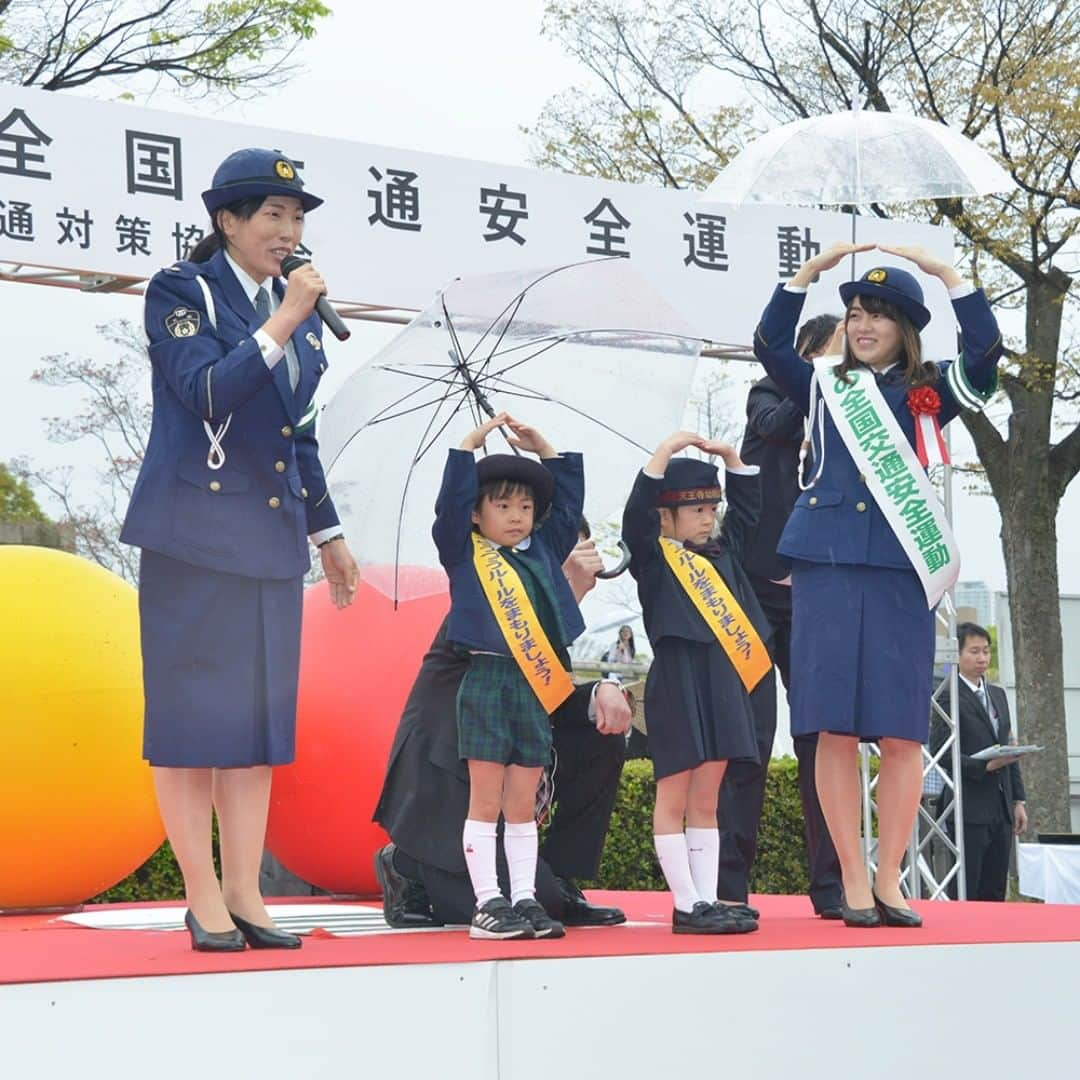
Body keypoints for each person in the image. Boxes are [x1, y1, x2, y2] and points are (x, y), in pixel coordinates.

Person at [120, 148, 360, 952]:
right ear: (227, 221)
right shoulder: (181, 292)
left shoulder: (304, 329)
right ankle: (201, 896)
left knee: (255, 732)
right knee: (195, 725)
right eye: (273, 217)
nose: (289, 233)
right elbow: (208, 393)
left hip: (268, 540)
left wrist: (328, 534)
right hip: (192, 538)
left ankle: (246, 890)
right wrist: (284, 317)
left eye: (297, 219)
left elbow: (299, 437)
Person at [753, 241, 1003, 927]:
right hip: (827, 564)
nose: (862, 326)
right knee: (831, 727)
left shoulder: (926, 392)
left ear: (905, 329)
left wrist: (950, 278)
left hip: (899, 570)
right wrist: (805, 276)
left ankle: (891, 879)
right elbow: (770, 340)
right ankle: (852, 881)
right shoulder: (824, 382)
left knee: (900, 733)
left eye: (878, 317)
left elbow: (986, 355)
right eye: (856, 313)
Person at [372, 521, 631, 931]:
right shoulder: (480, 596)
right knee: (507, 905)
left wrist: (604, 688)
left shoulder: (547, 617)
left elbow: (548, 697)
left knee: (602, 734)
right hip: (449, 768)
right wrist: (564, 590)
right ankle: (406, 863)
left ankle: (561, 875)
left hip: (503, 751)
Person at [432, 412, 591, 940]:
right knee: (486, 796)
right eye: (502, 505)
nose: (517, 516)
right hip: (485, 681)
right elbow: (447, 509)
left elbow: (567, 507)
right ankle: (488, 902)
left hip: (532, 685)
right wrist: (466, 447)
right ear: (477, 514)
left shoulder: (542, 550)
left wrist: (544, 446)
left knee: (524, 800)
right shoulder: (464, 552)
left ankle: (523, 897)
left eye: (525, 506)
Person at [716, 314, 844, 920]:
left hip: (817, 593)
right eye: (844, 343)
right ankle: (729, 886)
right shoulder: (770, 392)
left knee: (821, 739)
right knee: (751, 739)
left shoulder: (858, 413)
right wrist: (820, 378)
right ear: (812, 352)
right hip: (755, 591)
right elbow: (775, 426)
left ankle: (833, 887)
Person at [623, 432, 774, 934]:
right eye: (696, 511)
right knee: (674, 795)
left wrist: (733, 462)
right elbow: (635, 518)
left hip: (723, 679)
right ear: (666, 518)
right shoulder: (654, 557)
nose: (709, 518)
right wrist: (661, 456)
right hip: (679, 678)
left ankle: (709, 899)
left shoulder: (723, 554)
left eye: (712, 508)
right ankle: (686, 903)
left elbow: (749, 516)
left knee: (708, 797)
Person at [931, 622, 1028, 901]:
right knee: (967, 884)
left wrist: (1018, 801)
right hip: (967, 805)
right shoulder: (946, 695)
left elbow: (1009, 749)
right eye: (974, 651)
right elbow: (941, 752)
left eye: (986, 651)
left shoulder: (997, 694)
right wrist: (983, 766)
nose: (982, 658)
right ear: (958, 655)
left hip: (1001, 804)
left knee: (996, 886)